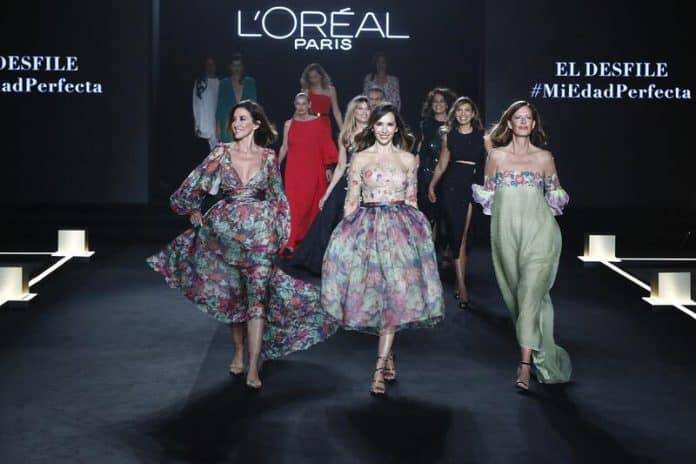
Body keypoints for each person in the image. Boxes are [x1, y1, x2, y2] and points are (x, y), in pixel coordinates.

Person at [147, 100, 334, 390]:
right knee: (236, 297)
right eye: (234, 119)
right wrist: (193, 208)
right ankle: (238, 351)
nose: (236, 124)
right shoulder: (221, 152)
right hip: (227, 232)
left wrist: (280, 233)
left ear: (257, 124)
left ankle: (254, 364)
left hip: (260, 234)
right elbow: (195, 182)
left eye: (243, 119)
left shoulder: (268, 157)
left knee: (257, 299)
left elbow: (277, 197)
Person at [321, 103, 444, 396]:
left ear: (397, 127)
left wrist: (420, 235)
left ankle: (378, 368)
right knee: (377, 293)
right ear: (372, 127)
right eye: (379, 124)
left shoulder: (408, 159)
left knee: (394, 292)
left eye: (390, 124)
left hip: (401, 230)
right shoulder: (360, 158)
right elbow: (352, 201)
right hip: (368, 228)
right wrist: (345, 237)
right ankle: (387, 355)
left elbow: (412, 199)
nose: (385, 130)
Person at [472, 100, 571, 391]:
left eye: (528, 118)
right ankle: (543, 355)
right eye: (519, 117)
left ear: (534, 124)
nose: (524, 122)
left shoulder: (544, 158)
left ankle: (525, 364)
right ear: (510, 123)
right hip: (506, 234)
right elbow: (489, 198)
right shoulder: (496, 157)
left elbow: (555, 196)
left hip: (541, 233)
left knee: (529, 293)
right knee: (519, 297)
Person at [286, 95, 370, 274]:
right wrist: (327, 193)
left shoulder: (375, 133)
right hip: (345, 183)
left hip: (367, 185)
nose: (364, 112)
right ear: (353, 112)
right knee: (327, 220)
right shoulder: (346, 135)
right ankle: (327, 265)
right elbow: (340, 166)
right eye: (360, 109)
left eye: (367, 109)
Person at [428, 97, 486, 309]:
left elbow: (491, 163)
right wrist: (432, 186)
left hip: (473, 187)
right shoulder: (449, 136)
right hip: (451, 186)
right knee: (455, 233)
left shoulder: (483, 137)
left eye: (467, 110)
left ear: (473, 113)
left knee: (464, 238)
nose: (463, 114)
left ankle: (459, 282)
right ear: (455, 113)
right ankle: (461, 286)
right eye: (459, 110)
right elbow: (442, 165)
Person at [279, 93, 338, 252]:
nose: (301, 107)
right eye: (298, 104)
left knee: (311, 204)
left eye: (304, 103)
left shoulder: (318, 123)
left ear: (309, 104)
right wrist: (275, 165)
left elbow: (325, 145)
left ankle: (308, 240)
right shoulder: (288, 124)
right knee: (293, 204)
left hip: (313, 170)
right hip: (293, 171)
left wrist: (328, 167)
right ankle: (291, 241)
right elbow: (284, 147)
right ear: (294, 105)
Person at [415, 88, 457, 256]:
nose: (438, 104)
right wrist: (416, 161)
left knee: (446, 215)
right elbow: (421, 144)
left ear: (447, 104)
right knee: (428, 213)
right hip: (426, 170)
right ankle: (428, 252)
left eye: (442, 101)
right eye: (435, 101)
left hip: (447, 171)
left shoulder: (454, 123)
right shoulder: (426, 123)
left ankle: (446, 253)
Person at [216, 53, 258, 143]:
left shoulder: (250, 82)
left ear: (243, 67)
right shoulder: (224, 83)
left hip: (245, 125)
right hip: (227, 126)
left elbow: (254, 107)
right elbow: (220, 107)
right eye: (234, 65)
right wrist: (217, 127)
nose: (236, 68)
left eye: (239, 65)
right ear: (230, 67)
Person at [300, 63, 343, 133]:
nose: (313, 80)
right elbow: (301, 111)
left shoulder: (331, 90)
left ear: (321, 76)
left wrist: (343, 130)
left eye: (315, 76)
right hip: (309, 123)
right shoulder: (306, 91)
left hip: (325, 123)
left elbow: (336, 112)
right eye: (310, 77)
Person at [193, 57, 220, 149]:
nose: (210, 67)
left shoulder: (220, 83)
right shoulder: (200, 83)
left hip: (216, 129)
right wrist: (197, 126)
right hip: (203, 129)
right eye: (208, 64)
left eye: (212, 64)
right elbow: (195, 104)